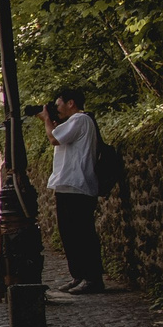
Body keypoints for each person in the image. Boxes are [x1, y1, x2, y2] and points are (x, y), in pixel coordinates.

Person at [43, 88, 105, 294]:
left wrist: (45, 119)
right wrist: (49, 119)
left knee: (82, 234)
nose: (56, 108)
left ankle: (92, 278)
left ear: (71, 103)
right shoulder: (72, 122)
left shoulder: (80, 119)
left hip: (78, 185)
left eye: (58, 103)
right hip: (68, 185)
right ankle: (79, 275)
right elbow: (57, 135)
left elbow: (53, 139)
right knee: (69, 235)